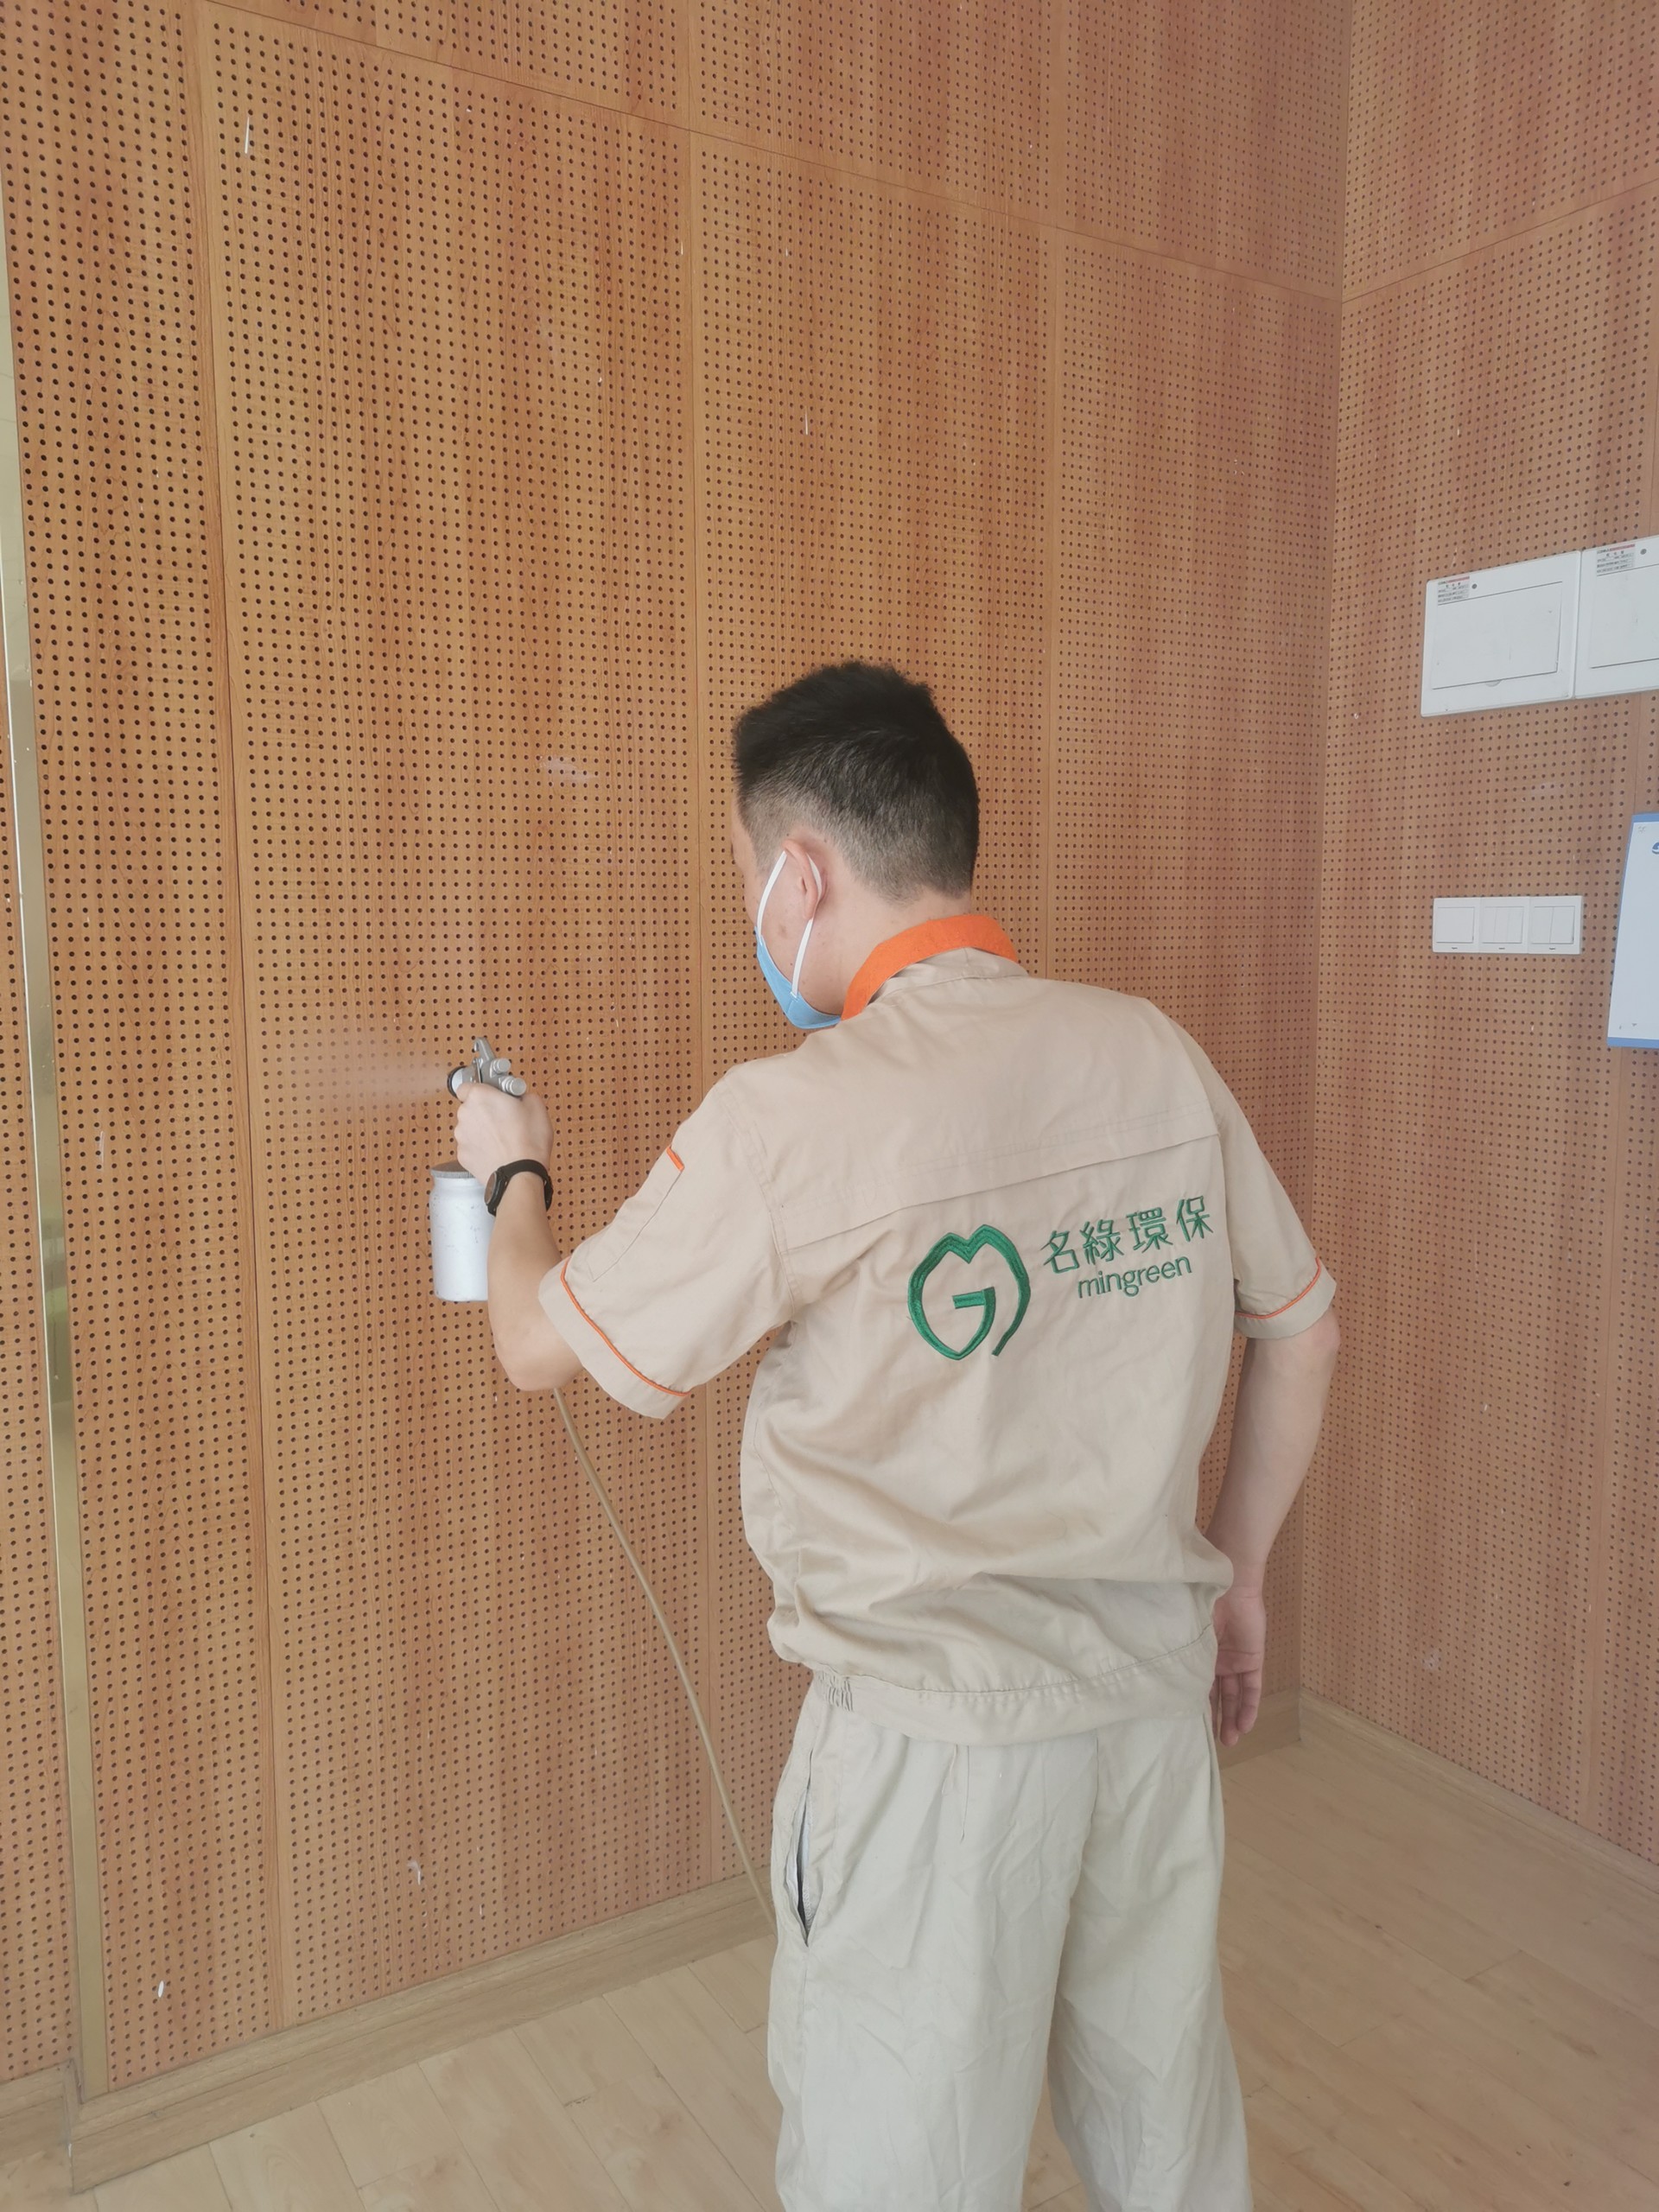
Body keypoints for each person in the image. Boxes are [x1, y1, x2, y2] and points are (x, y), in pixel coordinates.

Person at [454, 659, 1339, 2212]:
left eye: (746, 877)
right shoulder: (1153, 1051)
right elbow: (1305, 1327)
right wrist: (1242, 1574)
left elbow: (536, 1343)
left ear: (801, 874)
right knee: (1168, 2147)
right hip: (1150, 1710)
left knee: (903, 2173)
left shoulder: (791, 1117)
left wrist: (509, 1172)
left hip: (934, 1764)